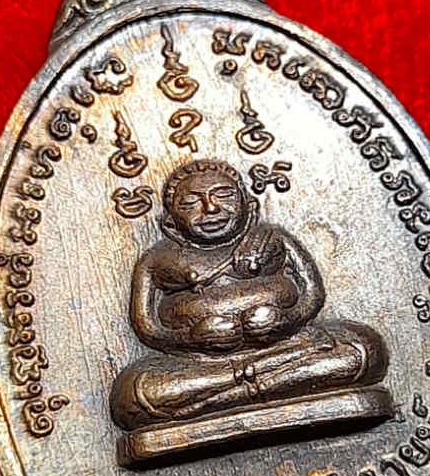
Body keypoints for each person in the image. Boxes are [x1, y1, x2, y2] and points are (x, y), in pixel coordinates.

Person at [110, 159, 388, 431]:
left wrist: (287, 320)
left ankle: (225, 398)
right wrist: (190, 337)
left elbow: (313, 293)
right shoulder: (157, 260)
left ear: (249, 206)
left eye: (224, 196)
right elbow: (147, 328)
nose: (211, 208)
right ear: (171, 224)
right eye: (191, 203)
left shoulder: (270, 238)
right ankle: (263, 386)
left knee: (363, 349)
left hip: (289, 348)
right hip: (201, 366)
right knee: (133, 397)